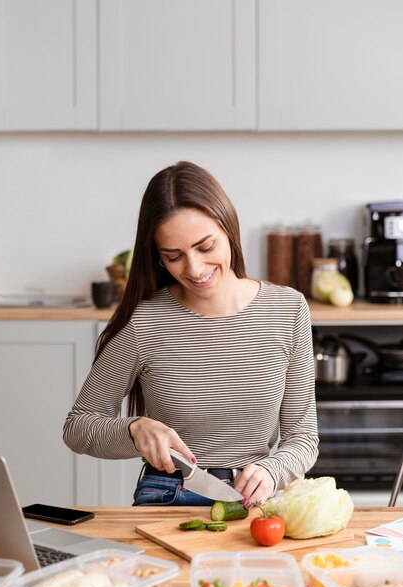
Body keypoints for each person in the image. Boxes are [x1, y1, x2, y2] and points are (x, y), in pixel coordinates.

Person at [63, 161, 318, 507]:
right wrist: (134, 429)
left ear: (228, 229)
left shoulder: (287, 309)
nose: (195, 269)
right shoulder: (144, 322)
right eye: (174, 256)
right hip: (168, 493)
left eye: (205, 247)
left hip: (256, 499)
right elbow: (78, 427)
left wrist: (273, 470)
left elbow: (302, 437)